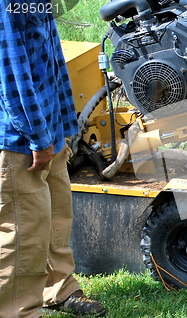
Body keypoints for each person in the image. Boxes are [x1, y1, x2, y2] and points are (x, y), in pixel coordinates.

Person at [0, 1, 106, 317]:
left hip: (49, 129)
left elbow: (52, 60)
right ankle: (16, 311)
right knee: (23, 234)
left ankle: (59, 289)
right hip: (21, 140)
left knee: (56, 215)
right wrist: (39, 138)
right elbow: (12, 78)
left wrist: (63, 128)